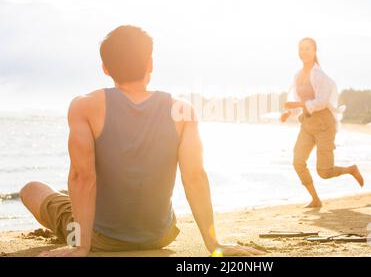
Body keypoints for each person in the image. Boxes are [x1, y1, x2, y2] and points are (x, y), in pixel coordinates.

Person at [19, 25, 265, 257]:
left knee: (32, 189)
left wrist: (80, 246)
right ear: (150, 63)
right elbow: (195, 177)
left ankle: (78, 231)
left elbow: (82, 177)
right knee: (74, 192)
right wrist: (215, 245)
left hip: (100, 238)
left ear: (105, 68)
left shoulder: (84, 106)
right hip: (160, 235)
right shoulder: (182, 109)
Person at [280, 37, 364, 208]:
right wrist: (290, 112)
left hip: (324, 125)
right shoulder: (297, 75)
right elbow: (299, 102)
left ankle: (351, 170)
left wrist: (298, 105)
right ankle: (315, 199)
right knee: (298, 162)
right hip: (307, 125)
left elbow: (322, 101)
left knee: (324, 172)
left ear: (314, 51)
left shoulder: (318, 74)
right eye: (301, 49)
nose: (304, 52)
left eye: (308, 49)